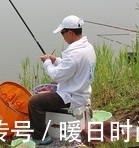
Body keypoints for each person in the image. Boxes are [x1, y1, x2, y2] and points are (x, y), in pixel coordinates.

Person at [28, 15, 96, 145]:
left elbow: (57, 76)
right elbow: (72, 66)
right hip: (82, 89)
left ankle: (40, 137)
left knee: (34, 102)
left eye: (62, 33)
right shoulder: (88, 48)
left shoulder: (74, 54)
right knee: (52, 87)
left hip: (73, 96)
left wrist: (47, 62)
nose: (62, 36)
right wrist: (56, 60)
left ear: (70, 32)